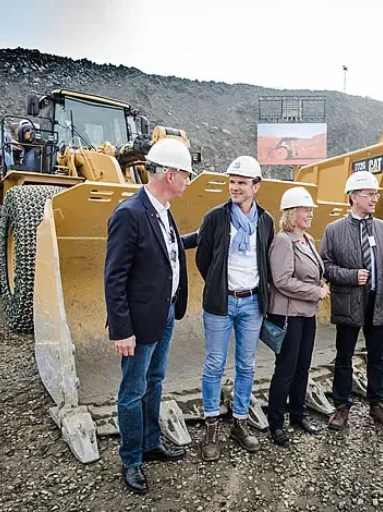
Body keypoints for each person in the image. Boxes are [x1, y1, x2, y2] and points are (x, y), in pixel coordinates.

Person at [104, 138, 195, 494]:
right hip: (139, 322)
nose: (189, 181)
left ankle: (150, 442)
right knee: (132, 389)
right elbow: (114, 277)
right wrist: (122, 330)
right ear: (170, 174)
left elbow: (164, 247)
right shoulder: (129, 212)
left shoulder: (161, 209)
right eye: (186, 175)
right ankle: (131, 459)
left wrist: (199, 237)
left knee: (155, 380)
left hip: (166, 311)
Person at [195, 155, 275, 462]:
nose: (235, 188)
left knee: (247, 364)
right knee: (214, 363)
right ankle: (212, 424)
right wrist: (218, 285)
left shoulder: (265, 221)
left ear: (256, 186)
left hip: (253, 303)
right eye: (232, 182)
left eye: (242, 183)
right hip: (221, 302)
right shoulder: (215, 217)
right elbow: (204, 258)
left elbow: (266, 259)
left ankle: (240, 422)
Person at [320, 171, 383, 430]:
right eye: (369, 194)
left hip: (378, 301)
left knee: (377, 356)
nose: (374, 198)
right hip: (348, 302)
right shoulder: (334, 230)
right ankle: (341, 407)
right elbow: (325, 266)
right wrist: (350, 276)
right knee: (344, 356)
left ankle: (377, 405)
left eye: (375, 194)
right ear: (353, 197)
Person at [267, 187, 329, 447]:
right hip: (289, 314)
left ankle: (298, 415)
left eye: (311, 209)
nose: (310, 213)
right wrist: (317, 291)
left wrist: (321, 282)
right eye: (305, 209)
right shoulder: (283, 241)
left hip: (307, 314)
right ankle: (276, 423)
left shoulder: (308, 240)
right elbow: (282, 281)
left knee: (303, 366)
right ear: (292, 213)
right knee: (286, 369)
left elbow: (311, 272)